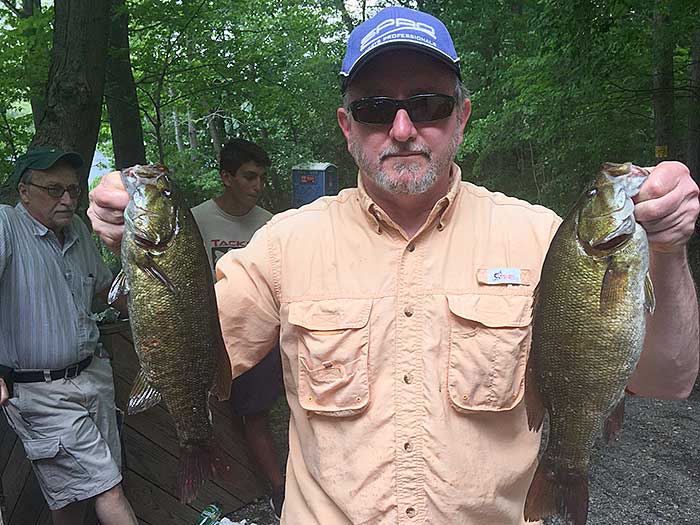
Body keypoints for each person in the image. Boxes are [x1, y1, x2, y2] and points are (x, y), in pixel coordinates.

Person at [86, 6, 700, 524]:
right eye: (377, 109)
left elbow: (668, 381)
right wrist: (136, 246)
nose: (403, 128)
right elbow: (184, 339)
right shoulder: (283, 244)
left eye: (428, 104)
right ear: (348, 127)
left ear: (460, 116)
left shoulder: (547, 238)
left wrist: (667, 252)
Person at [0, 147, 138, 525]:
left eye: (74, 191)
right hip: (41, 392)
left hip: (93, 377)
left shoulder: (76, 229)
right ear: (24, 191)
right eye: (54, 189)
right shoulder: (5, 227)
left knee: (75, 496)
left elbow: (107, 290)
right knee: (108, 489)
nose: (67, 199)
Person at [190, 138, 286, 520]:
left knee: (272, 412)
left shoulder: (269, 223)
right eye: (249, 177)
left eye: (262, 177)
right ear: (226, 177)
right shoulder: (197, 220)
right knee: (243, 415)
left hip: (269, 337)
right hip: (215, 337)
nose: (257, 185)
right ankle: (277, 491)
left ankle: (286, 489)